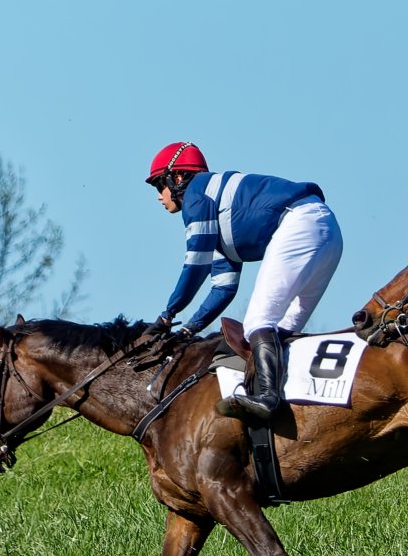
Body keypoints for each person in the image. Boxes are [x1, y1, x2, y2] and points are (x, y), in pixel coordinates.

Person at [143, 141, 343, 423]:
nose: (158, 197)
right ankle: (297, 406)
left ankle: (267, 398)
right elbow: (223, 287)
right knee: (284, 330)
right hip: (328, 230)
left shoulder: (196, 196)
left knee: (258, 322)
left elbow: (196, 264)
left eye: (157, 186)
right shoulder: (219, 211)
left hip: (300, 223)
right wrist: (189, 329)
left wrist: (167, 316)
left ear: (176, 178)